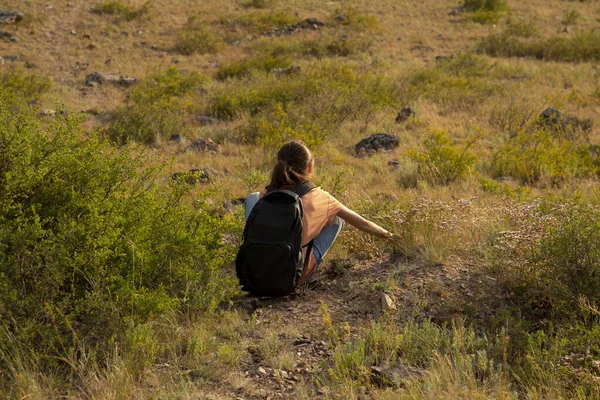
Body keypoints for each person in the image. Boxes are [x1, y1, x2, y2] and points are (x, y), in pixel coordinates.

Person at [244, 140, 394, 284]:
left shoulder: (266, 193)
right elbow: (362, 223)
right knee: (336, 217)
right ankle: (302, 271)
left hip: (255, 275)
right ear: (309, 168)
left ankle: (254, 257)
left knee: (252, 198)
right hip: (290, 279)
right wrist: (390, 236)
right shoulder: (321, 197)